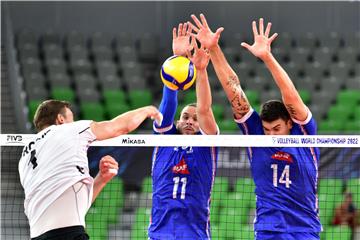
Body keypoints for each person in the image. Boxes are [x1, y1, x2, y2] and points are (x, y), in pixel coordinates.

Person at [189, 14, 322, 240]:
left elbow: (290, 96)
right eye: (267, 130)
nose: (271, 135)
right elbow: (234, 92)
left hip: (304, 229)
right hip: (268, 229)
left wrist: (267, 57)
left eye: (277, 129)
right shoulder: (256, 136)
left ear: (290, 123)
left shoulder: (305, 134)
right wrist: (214, 49)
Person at [18, 100, 162, 239]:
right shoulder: (70, 130)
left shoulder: (25, 157)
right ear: (61, 119)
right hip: (68, 233)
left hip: (38, 235)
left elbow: (67, 200)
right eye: (71, 118)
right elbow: (119, 127)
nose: (73, 123)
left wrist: (101, 179)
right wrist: (148, 110)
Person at [148, 22, 219, 239]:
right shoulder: (164, 140)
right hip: (160, 234)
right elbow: (166, 109)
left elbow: (205, 109)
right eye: (185, 117)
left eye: (194, 120)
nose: (190, 121)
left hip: (195, 234)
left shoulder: (207, 145)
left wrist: (200, 70)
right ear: (178, 122)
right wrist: (176, 63)